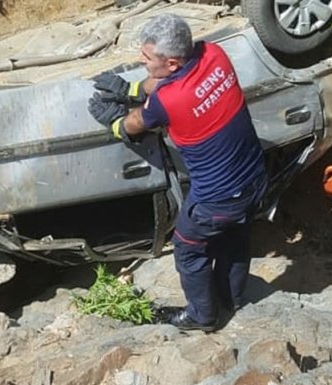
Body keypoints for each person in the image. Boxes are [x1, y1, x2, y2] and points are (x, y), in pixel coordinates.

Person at [87, 13, 267, 331]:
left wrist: (114, 120)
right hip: (254, 176)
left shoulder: (170, 101)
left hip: (216, 200)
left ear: (171, 63)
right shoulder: (214, 54)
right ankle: (232, 298)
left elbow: (135, 124)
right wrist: (131, 89)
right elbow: (168, 80)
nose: (141, 61)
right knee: (235, 236)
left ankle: (202, 317)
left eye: (146, 57)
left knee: (188, 247)